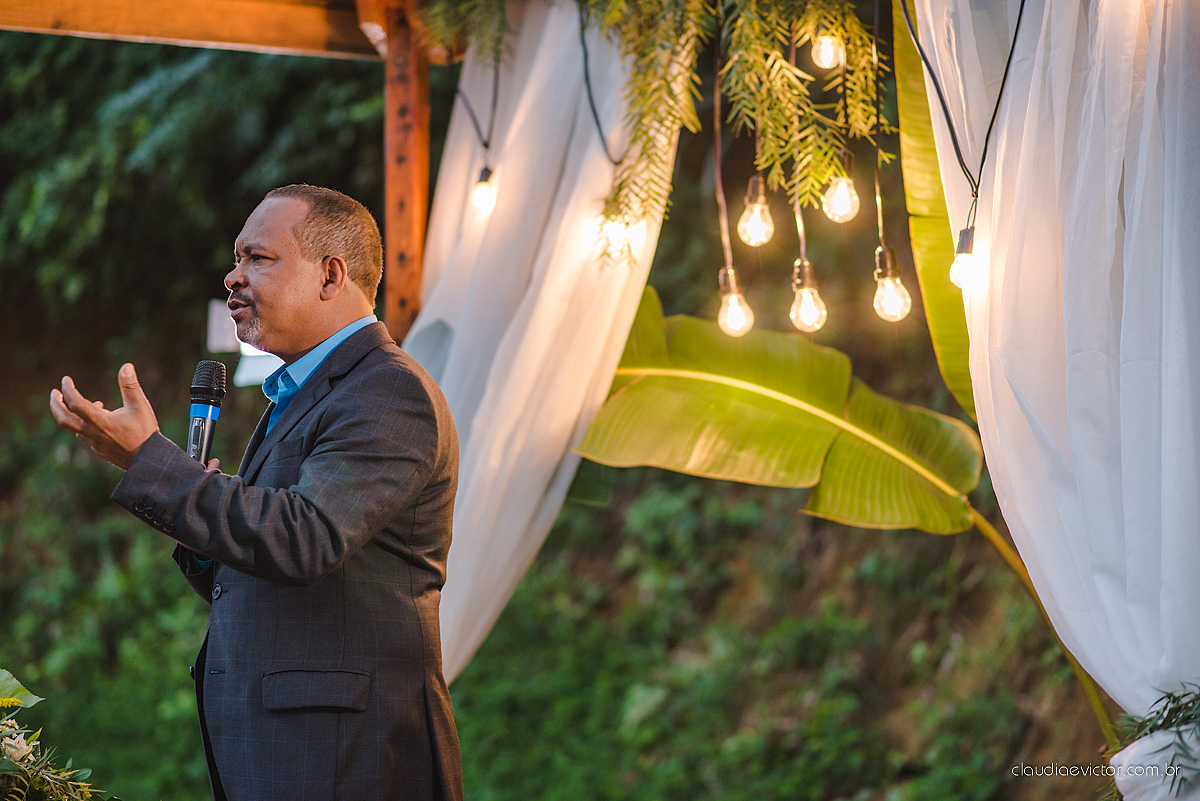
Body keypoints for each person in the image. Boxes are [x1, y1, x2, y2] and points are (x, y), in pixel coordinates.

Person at [49, 184, 463, 801]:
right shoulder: (301, 396)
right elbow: (258, 569)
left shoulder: (385, 391)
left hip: (351, 759)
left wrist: (153, 463)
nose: (232, 277)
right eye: (236, 260)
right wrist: (183, 497)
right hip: (291, 752)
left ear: (330, 275)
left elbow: (305, 538)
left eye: (257, 259)